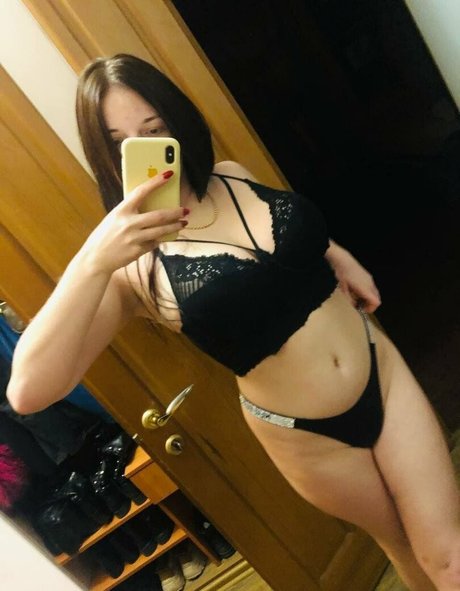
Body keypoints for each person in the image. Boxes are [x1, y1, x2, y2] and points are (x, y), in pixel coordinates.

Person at [6, 54, 460, 591]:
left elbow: (281, 242)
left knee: (447, 554)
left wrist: (336, 255)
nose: (144, 150)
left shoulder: (233, 176)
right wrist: (93, 259)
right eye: (122, 143)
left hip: (380, 371)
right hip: (310, 436)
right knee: (405, 547)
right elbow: (28, 391)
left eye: (154, 130)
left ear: (179, 124)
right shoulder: (131, 269)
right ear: (105, 157)